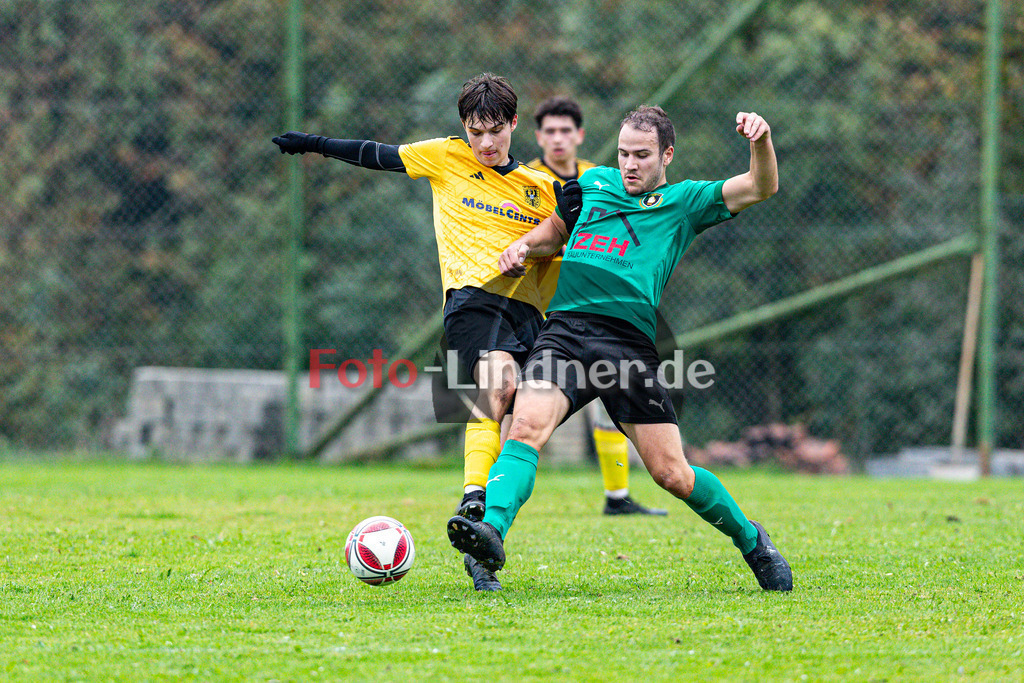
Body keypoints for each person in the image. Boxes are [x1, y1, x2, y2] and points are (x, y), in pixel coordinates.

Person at [446, 106, 794, 591]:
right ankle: (489, 539)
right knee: (523, 426)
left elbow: (761, 187)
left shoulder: (686, 201)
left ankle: (753, 540)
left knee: (672, 474)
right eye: (624, 153)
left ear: (667, 155)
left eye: (643, 155)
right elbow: (555, 232)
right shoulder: (593, 184)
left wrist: (760, 140)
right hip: (565, 332)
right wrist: (525, 246)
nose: (630, 164)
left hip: (626, 345)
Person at [273, 73, 574, 592]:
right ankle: (472, 495)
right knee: (496, 388)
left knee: (521, 427)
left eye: (495, 131)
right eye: (476, 131)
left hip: (530, 315)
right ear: (463, 128)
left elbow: (566, 242)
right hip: (472, 302)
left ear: (514, 125)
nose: (485, 143)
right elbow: (377, 153)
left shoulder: (541, 188)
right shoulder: (446, 157)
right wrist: (314, 144)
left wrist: (538, 242)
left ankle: (483, 541)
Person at [529, 96, 666, 517]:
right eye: (549, 131)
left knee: (610, 411)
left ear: (579, 136)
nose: (557, 138)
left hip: (585, 314)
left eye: (565, 131)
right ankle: (488, 493)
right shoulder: (526, 179)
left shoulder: (600, 179)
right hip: (535, 307)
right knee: (516, 409)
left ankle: (617, 496)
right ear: (537, 137)